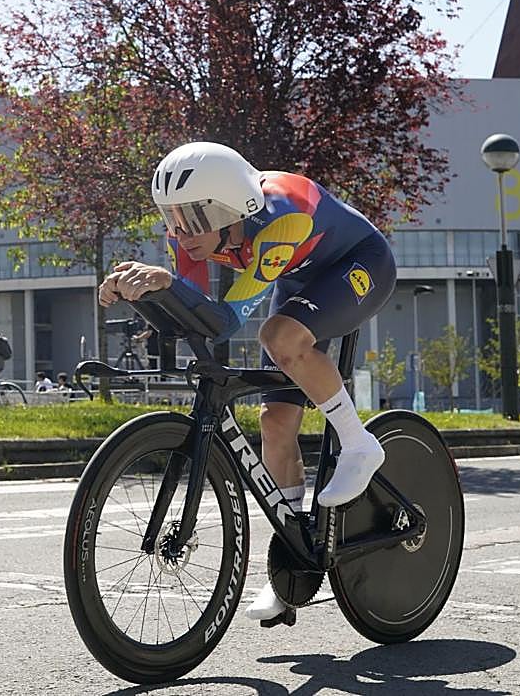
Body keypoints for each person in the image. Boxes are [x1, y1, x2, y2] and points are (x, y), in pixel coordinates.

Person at [98, 141, 396, 622]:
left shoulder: (282, 217)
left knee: (279, 334)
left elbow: (225, 321)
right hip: (298, 280)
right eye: (172, 218)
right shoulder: (192, 233)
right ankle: (293, 560)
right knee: (275, 422)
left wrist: (166, 283)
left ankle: (359, 443)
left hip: (359, 265)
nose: (181, 232)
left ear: (232, 208)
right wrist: (142, 293)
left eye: (194, 218)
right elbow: (194, 308)